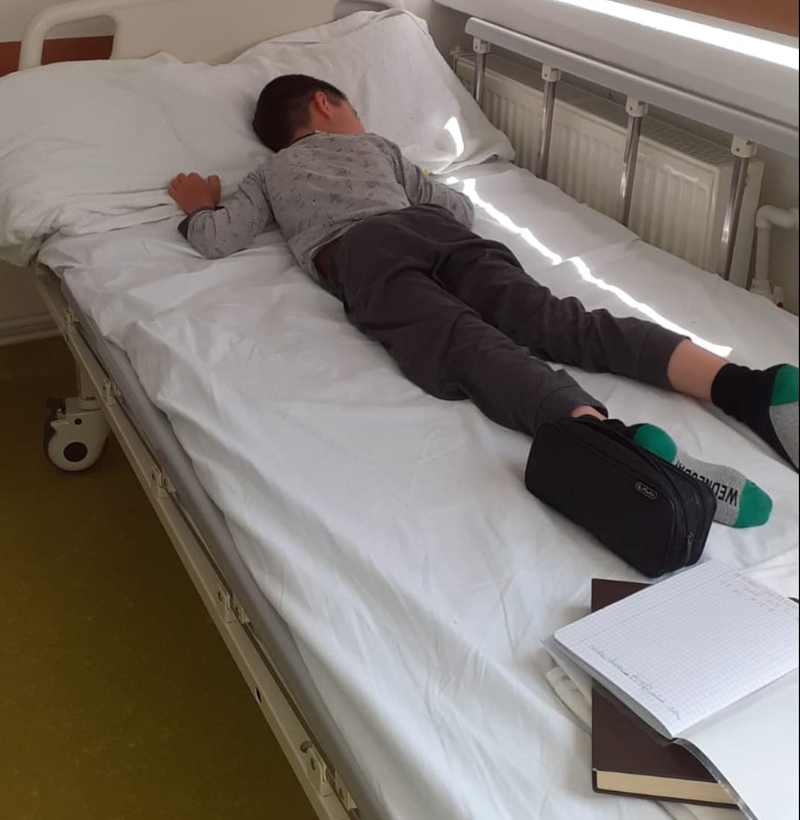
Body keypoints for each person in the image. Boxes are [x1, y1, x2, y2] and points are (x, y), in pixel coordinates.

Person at [168, 74, 798, 529]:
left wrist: (199, 206)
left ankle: (616, 447)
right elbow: (457, 209)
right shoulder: (378, 147)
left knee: (466, 345)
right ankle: (747, 388)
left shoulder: (270, 173)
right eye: (353, 107)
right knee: (557, 319)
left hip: (361, 254)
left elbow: (218, 239)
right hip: (435, 232)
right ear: (324, 104)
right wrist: (418, 193)